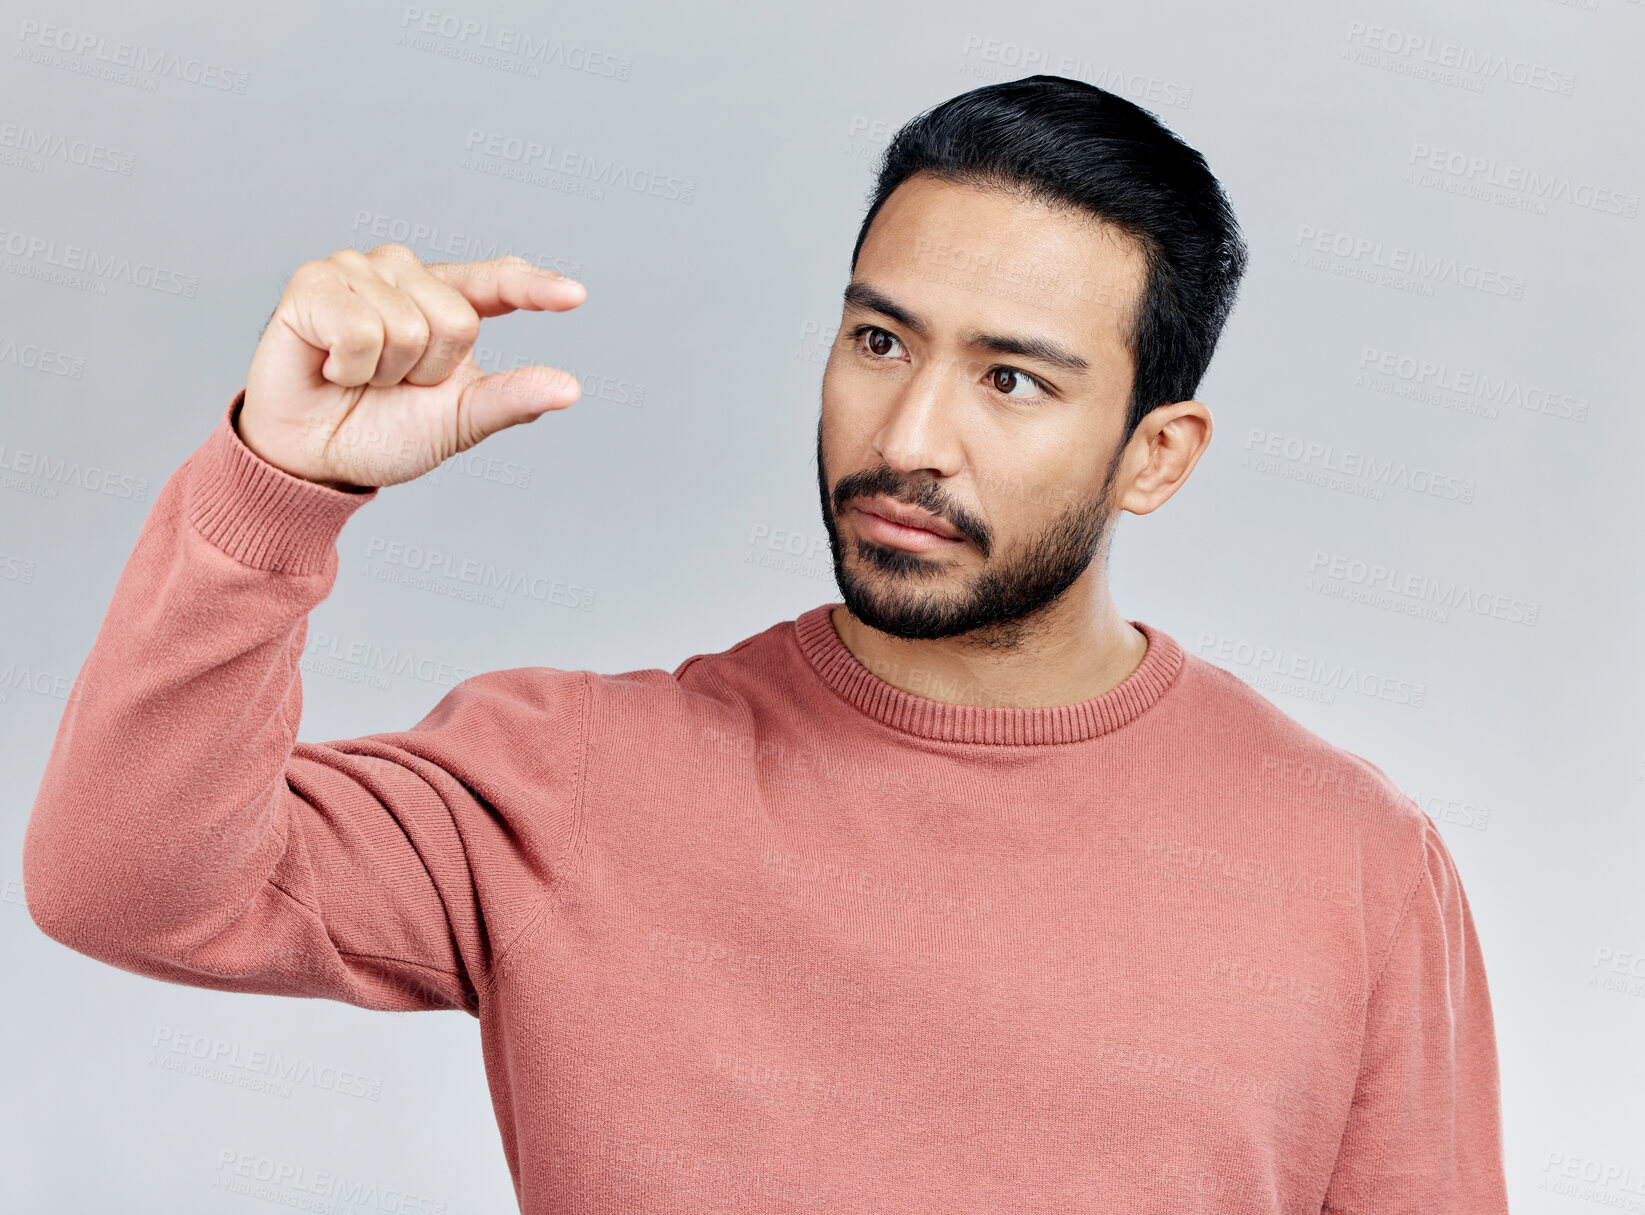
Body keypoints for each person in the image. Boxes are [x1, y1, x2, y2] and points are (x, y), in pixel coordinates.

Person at [23, 75, 1508, 1213]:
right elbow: (122, 882)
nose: (910, 436)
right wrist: (278, 488)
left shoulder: (1350, 859)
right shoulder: (568, 781)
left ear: (1155, 454)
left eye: (1010, 378)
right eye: (878, 341)